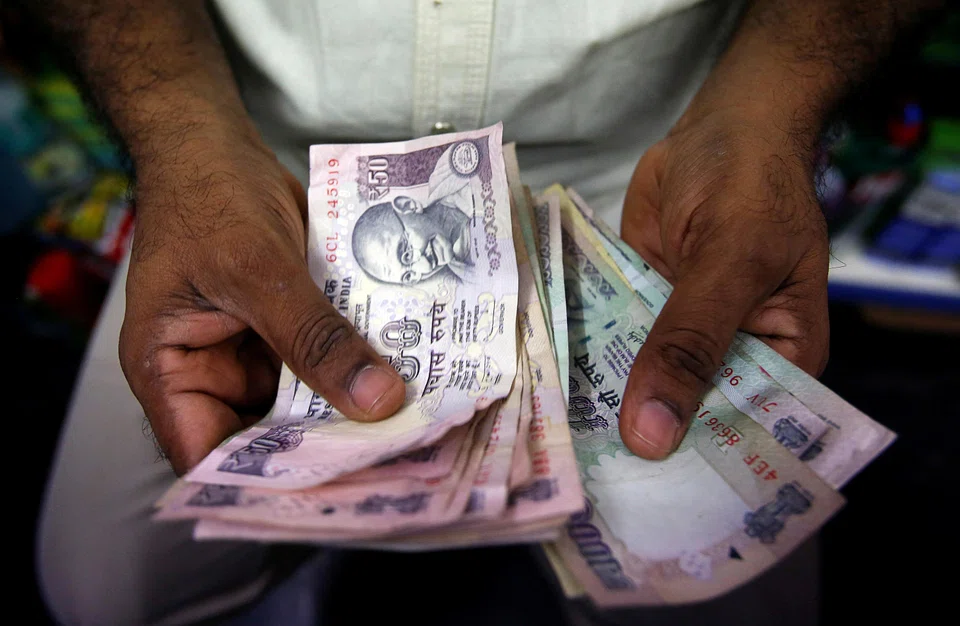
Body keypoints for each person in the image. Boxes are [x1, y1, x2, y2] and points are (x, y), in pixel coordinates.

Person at [24, 0, 942, 624]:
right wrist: (179, 139)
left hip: (650, 176)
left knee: (718, 587)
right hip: (262, 181)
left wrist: (770, 116)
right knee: (104, 590)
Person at [353, 195, 473, 285]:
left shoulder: (456, 183)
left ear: (408, 207)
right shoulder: (470, 276)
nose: (425, 266)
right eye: (408, 276)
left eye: (407, 254)